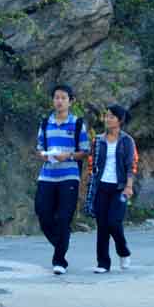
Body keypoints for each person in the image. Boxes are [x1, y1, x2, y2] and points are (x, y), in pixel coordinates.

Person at [34, 83, 89, 275]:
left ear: (71, 101)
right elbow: (39, 147)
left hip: (69, 176)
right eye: (56, 97)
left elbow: (85, 151)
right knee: (42, 213)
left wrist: (69, 156)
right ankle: (61, 243)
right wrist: (43, 154)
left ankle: (59, 260)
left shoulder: (78, 124)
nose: (59, 101)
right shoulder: (45, 123)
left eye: (63, 98)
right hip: (47, 175)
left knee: (64, 218)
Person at [89, 104, 136, 273]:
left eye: (111, 116)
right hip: (101, 186)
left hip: (120, 188)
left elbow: (130, 165)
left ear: (120, 120)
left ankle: (123, 251)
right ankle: (103, 263)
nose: (107, 119)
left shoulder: (127, 140)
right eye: (106, 116)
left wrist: (129, 187)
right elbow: (93, 165)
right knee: (102, 225)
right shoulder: (98, 140)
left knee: (114, 222)